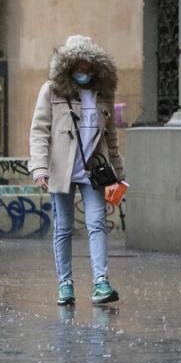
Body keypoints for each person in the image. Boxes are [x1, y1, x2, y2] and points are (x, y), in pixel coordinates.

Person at [29, 35, 125, 306]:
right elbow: (39, 131)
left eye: (88, 66)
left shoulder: (103, 93)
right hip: (61, 169)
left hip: (93, 171)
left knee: (97, 225)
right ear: (68, 66)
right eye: (78, 66)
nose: (83, 71)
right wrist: (39, 168)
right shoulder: (51, 90)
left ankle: (101, 283)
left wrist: (119, 173)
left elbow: (111, 136)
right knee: (64, 228)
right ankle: (65, 284)